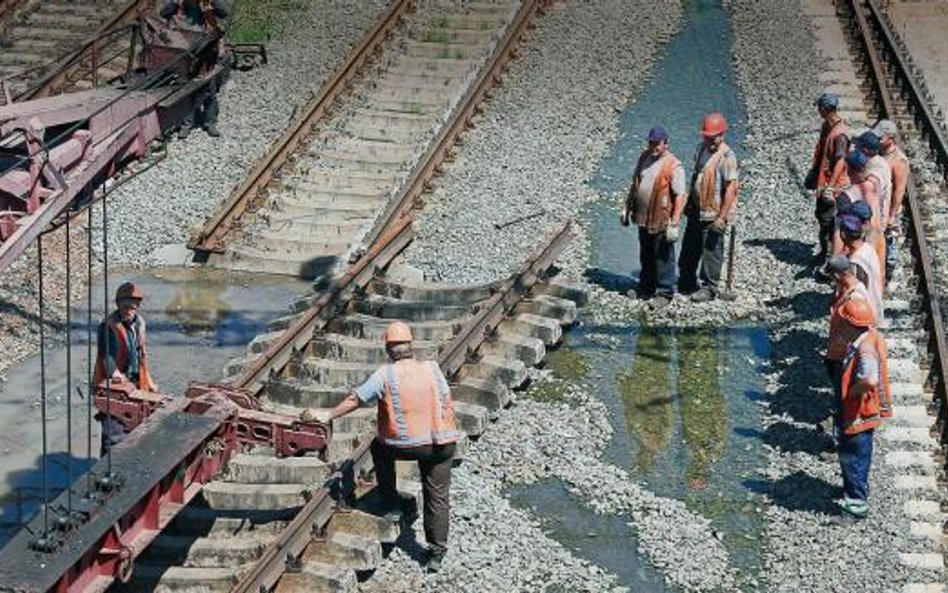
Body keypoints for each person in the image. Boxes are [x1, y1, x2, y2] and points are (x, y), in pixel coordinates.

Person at [303, 321, 460, 573]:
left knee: (378, 447)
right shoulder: (432, 368)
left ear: (388, 349)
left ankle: (393, 506)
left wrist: (327, 415)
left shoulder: (384, 374)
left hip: (405, 445)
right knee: (437, 497)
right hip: (442, 443)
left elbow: (356, 399)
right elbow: (445, 398)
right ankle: (436, 553)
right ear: (412, 346)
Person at [831, 297, 891, 518]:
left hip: (859, 412)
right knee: (861, 454)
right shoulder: (871, 337)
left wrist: (852, 393)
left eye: (843, 321)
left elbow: (869, 380)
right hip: (866, 411)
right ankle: (858, 489)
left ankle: (856, 504)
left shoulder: (864, 349)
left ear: (850, 324)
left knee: (852, 455)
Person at [621, 125, 686, 310]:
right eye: (651, 142)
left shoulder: (674, 165)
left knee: (664, 257)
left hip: (662, 218)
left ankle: (665, 292)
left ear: (666, 143)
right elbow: (635, 183)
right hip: (643, 217)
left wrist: (675, 222)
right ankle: (646, 287)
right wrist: (627, 208)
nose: (653, 146)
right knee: (646, 253)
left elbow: (680, 195)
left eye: (657, 143)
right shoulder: (644, 157)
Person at [678, 112, 740, 302]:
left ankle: (709, 287)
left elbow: (731, 188)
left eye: (712, 137)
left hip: (713, 213)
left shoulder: (728, 157)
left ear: (722, 135)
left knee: (712, 252)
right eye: (706, 137)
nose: (708, 140)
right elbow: (696, 176)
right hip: (697, 209)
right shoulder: (700, 149)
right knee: (689, 248)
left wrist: (722, 217)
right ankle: (687, 280)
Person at [93, 282, 158, 454]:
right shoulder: (107, 327)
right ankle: (107, 469)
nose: (129, 311)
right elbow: (106, 358)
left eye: (132, 307)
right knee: (113, 434)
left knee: (135, 427)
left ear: (137, 306)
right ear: (118, 304)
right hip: (114, 387)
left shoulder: (139, 324)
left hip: (136, 383)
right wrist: (117, 377)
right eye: (125, 307)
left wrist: (149, 380)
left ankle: (127, 462)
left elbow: (141, 355)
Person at [159, 0, 230, 138]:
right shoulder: (180, 5)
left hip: (207, 50)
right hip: (186, 51)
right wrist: (174, 2)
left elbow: (224, 13)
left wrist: (213, 3)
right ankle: (187, 124)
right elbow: (163, 13)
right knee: (186, 89)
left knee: (209, 89)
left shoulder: (207, 4)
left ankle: (210, 123)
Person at [805, 92, 850, 268]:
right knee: (821, 217)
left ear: (825, 109)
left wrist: (830, 187)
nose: (818, 111)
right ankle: (824, 253)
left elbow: (840, 160)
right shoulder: (827, 126)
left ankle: (831, 261)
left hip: (833, 186)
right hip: (823, 182)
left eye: (819, 108)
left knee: (829, 222)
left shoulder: (840, 134)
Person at [873, 119, 910, 281]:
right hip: (878, 205)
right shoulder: (881, 153)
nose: (878, 140)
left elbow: (900, 190)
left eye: (881, 138)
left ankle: (887, 272)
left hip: (889, 209)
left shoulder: (899, 160)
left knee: (890, 240)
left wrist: (892, 215)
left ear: (890, 137)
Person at [838, 213, 884, 325]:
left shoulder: (855, 263)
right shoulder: (868, 248)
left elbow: (856, 292)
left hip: (863, 315)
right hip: (875, 304)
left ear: (843, 234)